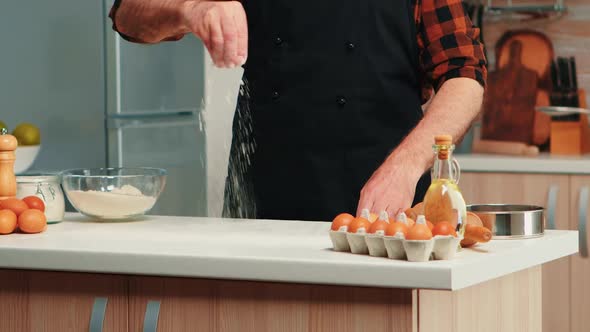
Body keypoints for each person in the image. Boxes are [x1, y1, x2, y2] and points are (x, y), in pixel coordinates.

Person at [109, 0, 487, 221]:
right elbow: (128, 15)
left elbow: (464, 74)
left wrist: (405, 166)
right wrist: (192, 9)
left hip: (386, 219)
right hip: (264, 215)